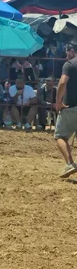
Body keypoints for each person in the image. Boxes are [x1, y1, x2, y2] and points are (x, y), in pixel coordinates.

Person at [54, 44, 77, 178]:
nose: (66, 55)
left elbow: (62, 83)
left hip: (71, 107)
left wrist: (58, 101)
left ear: (72, 51)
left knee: (60, 136)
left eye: (67, 52)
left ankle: (70, 163)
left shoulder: (69, 64)